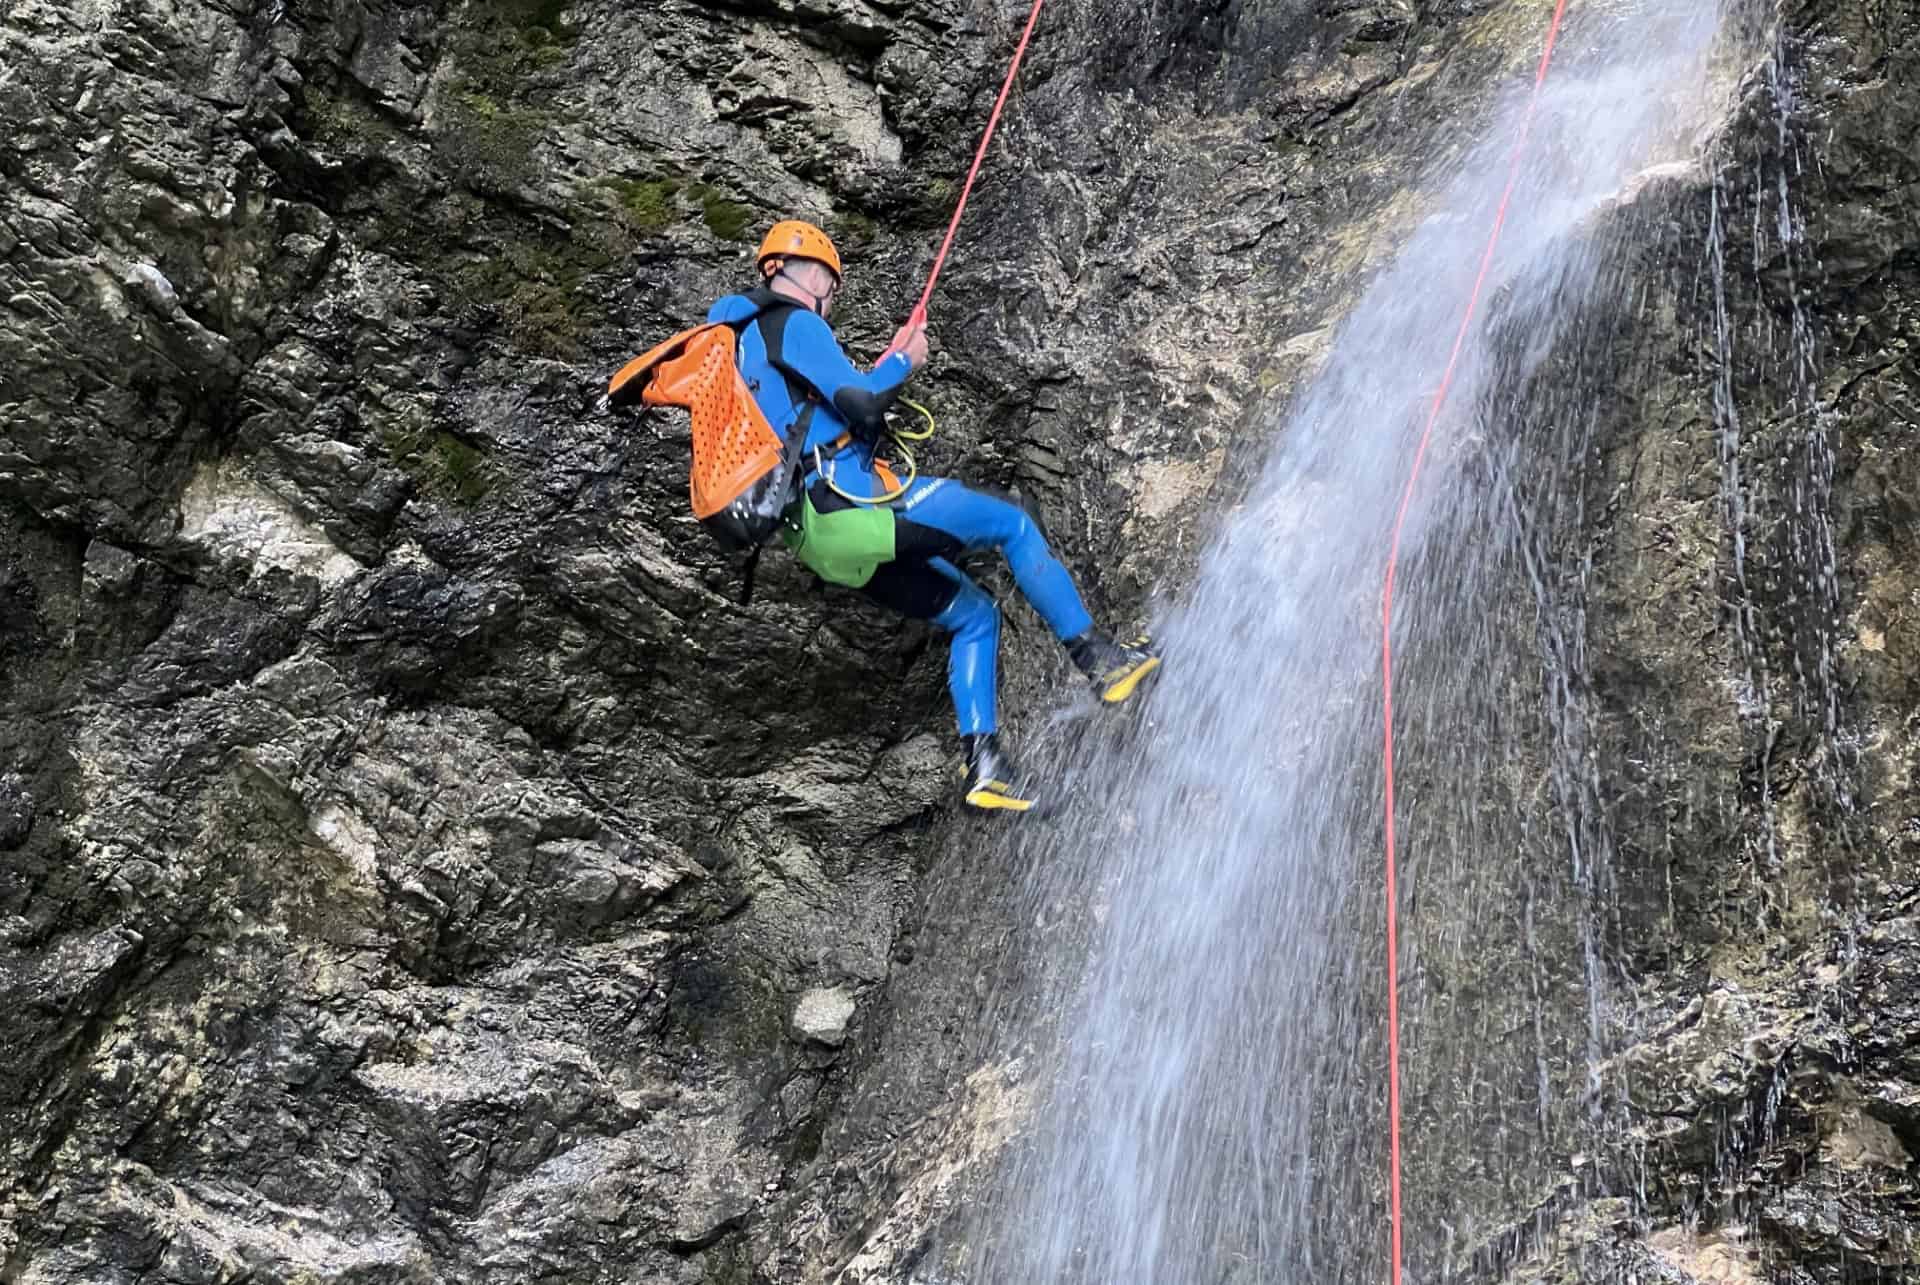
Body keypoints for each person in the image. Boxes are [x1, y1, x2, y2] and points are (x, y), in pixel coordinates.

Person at [709, 220, 1161, 813]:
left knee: (973, 615)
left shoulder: (743, 350)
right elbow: (863, 402)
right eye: (829, 281)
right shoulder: (795, 323)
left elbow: (827, 416)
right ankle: (1100, 661)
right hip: (853, 506)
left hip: (818, 539)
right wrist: (902, 361)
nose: (830, 295)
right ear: (810, 273)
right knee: (1013, 520)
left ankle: (986, 765)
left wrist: (882, 371)